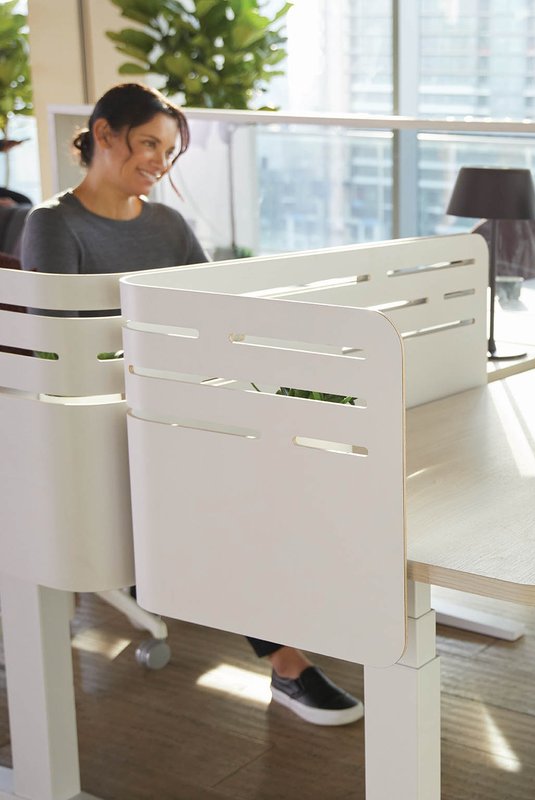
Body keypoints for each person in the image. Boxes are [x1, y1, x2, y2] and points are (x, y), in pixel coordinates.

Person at [20, 82, 364, 728]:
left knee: (285, 456)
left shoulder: (169, 225)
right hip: (101, 428)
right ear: (102, 133)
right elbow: (62, 355)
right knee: (229, 489)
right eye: (148, 142)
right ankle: (286, 662)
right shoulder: (53, 225)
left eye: (169, 150)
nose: (158, 160)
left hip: (178, 409)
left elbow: (212, 317)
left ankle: (322, 618)